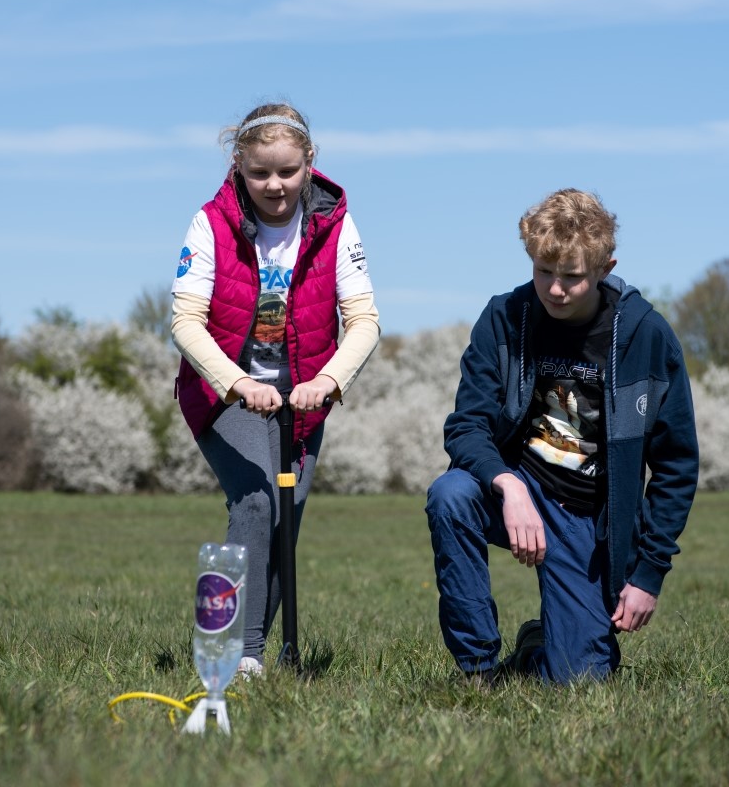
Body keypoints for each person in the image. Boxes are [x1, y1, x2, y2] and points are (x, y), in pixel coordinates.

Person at [426, 188, 699, 685]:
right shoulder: (505, 317)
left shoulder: (645, 335)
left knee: (579, 681)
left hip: (586, 523)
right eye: (543, 271)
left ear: (603, 266)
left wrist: (648, 574)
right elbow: (466, 425)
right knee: (450, 494)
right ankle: (480, 669)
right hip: (516, 489)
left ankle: (539, 648)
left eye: (571, 276)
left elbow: (676, 465)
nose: (554, 289)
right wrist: (507, 486)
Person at [172, 102, 380, 675]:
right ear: (238, 165)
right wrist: (237, 383)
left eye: (287, 171)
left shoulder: (337, 224)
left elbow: (364, 321)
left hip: (304, 398)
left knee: (287, 517)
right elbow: (185, 322)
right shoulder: (209, 223)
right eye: (260, 172)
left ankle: (246, 652)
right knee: (257, 503)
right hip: (226, 394)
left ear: (309, 163)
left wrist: (330, 381)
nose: (275, 185)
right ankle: (240, 657)